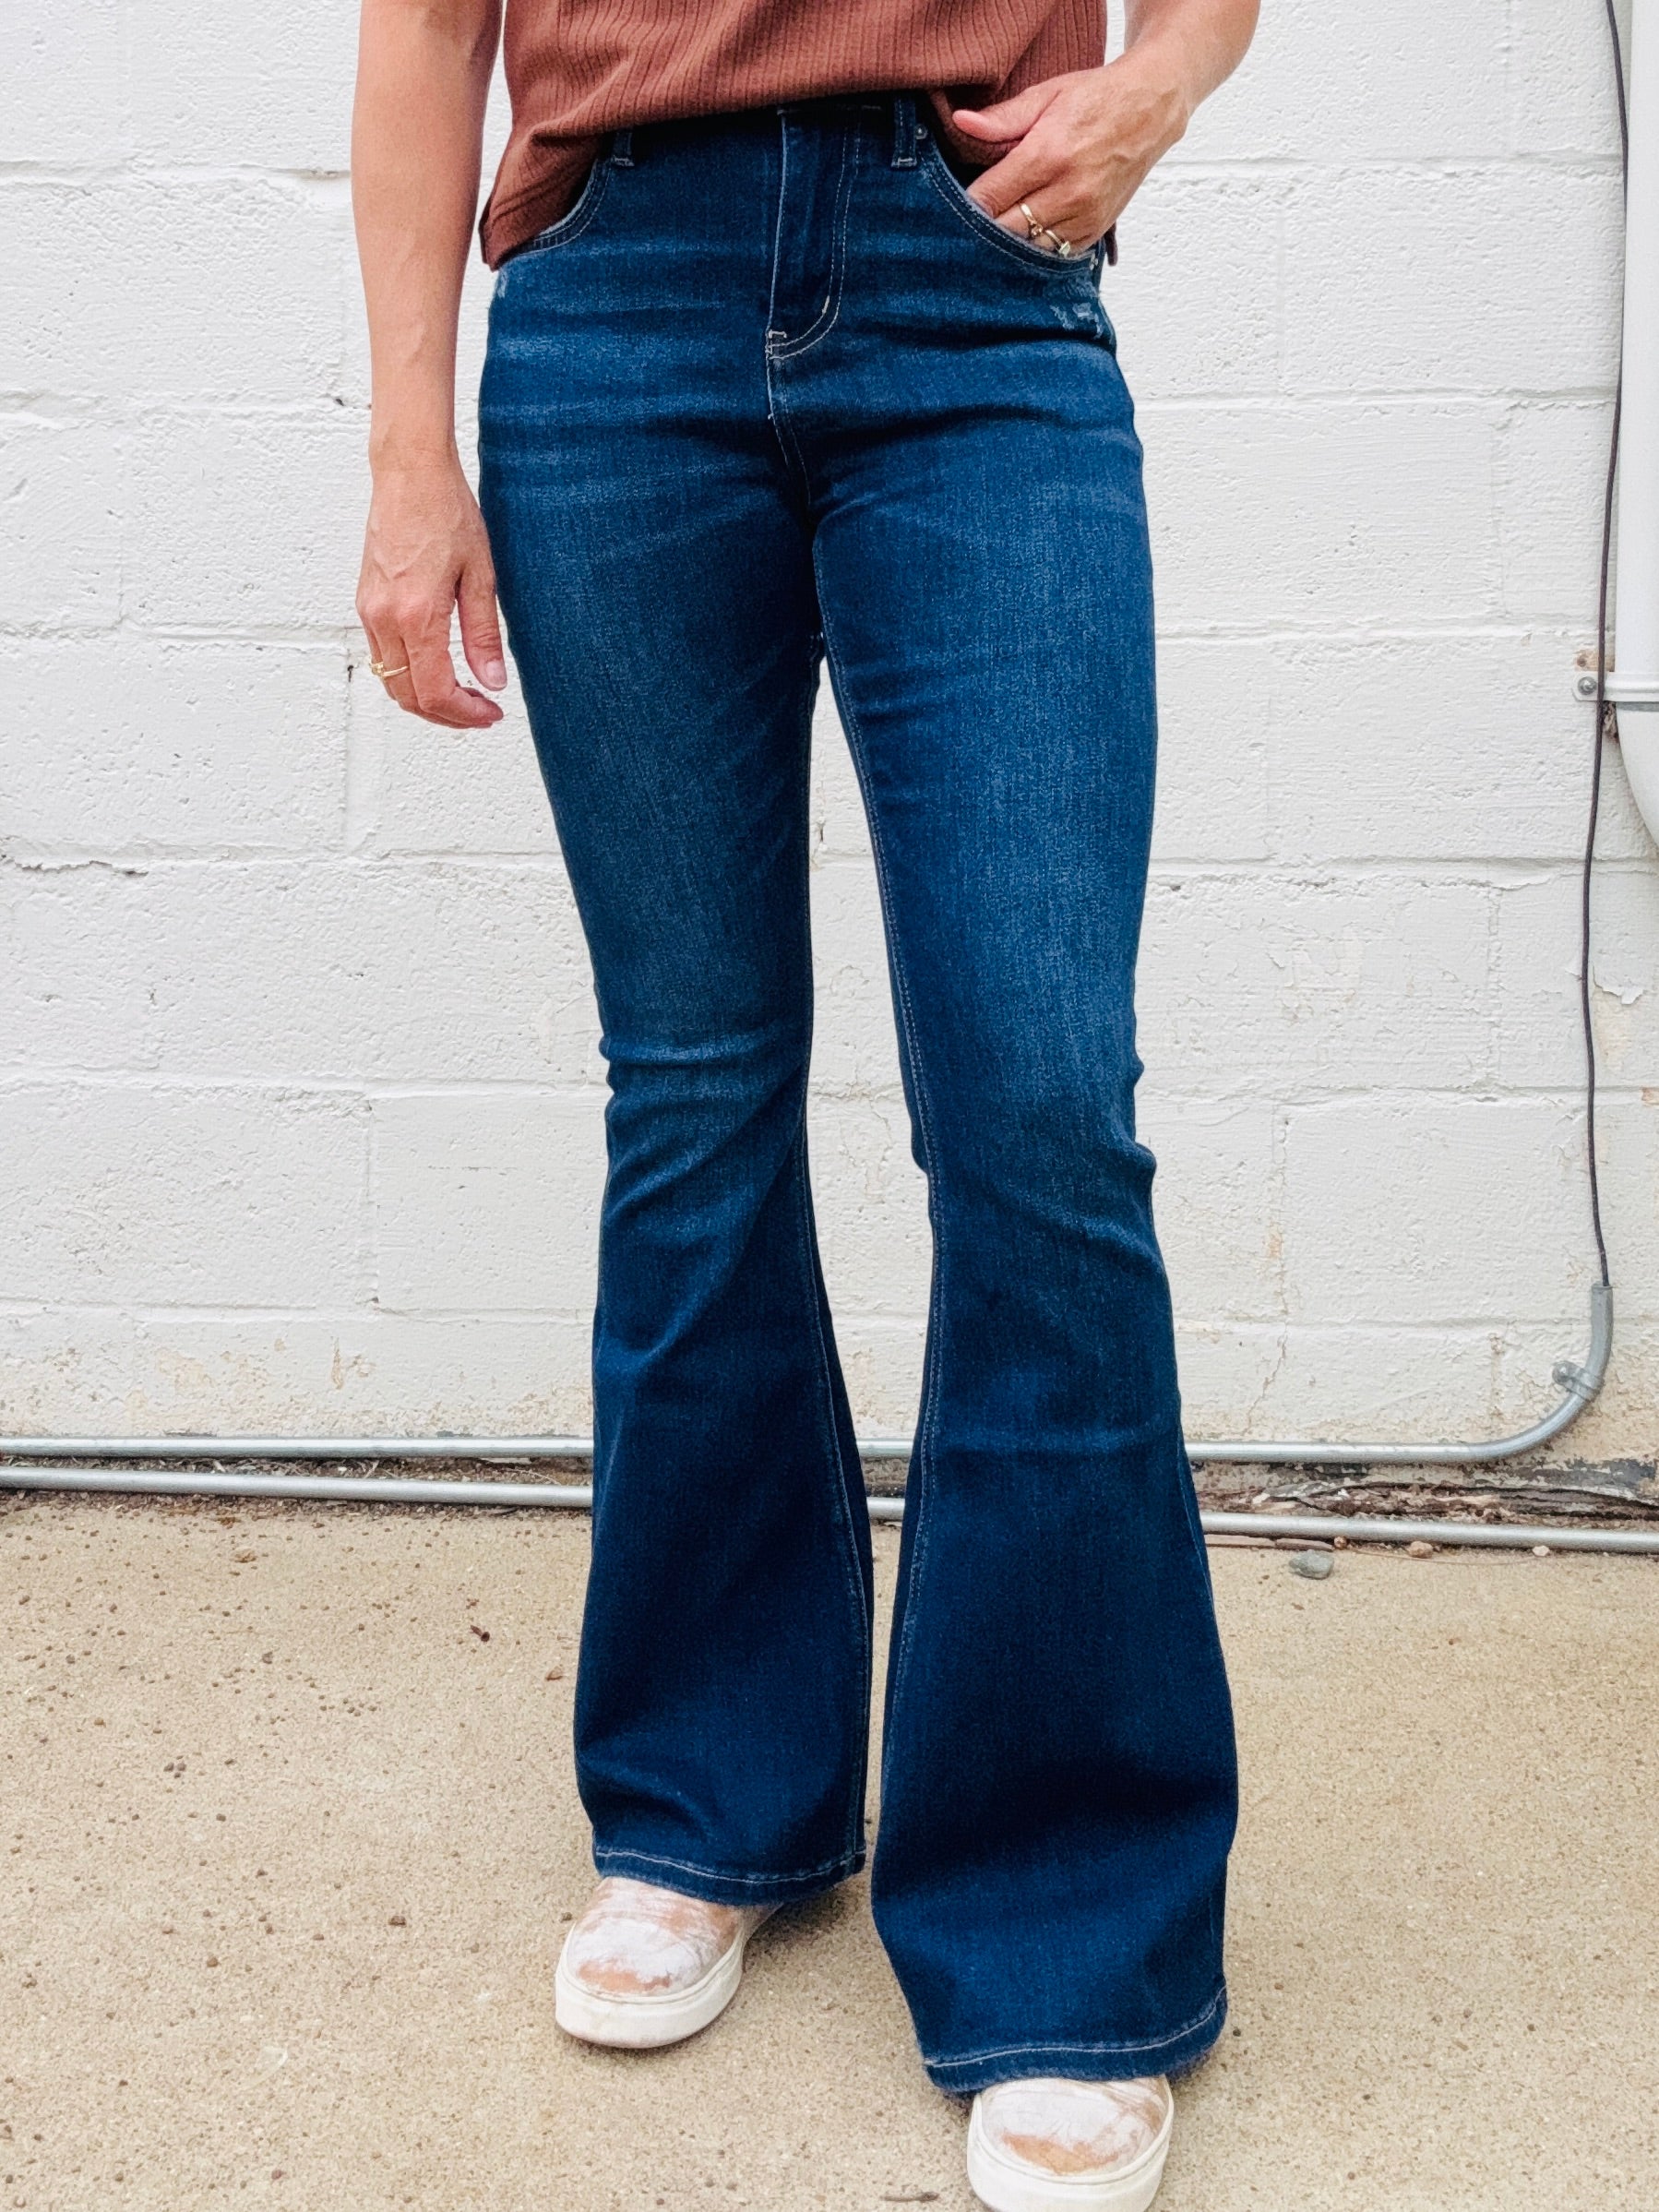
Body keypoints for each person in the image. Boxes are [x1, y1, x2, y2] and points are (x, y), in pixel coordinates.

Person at [352, 3, 1258, 2204]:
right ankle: (709, 1802)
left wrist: (1161, 83)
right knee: (691, 1097)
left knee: (1040, 1114)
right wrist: (405, 453)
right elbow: (424, 28)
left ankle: (1065, 1922)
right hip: (612, 305)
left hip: (973, 285)